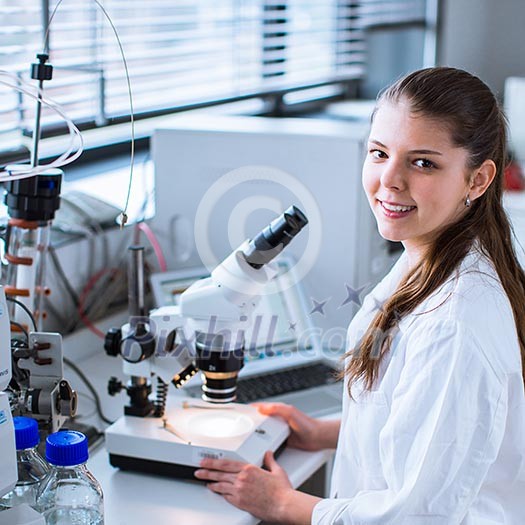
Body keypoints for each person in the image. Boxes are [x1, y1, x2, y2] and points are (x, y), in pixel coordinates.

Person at [194, 67, 525, 524]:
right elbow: (420, 427)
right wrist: (327, 432)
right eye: (379, 153)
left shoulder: (456, 321)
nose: (390, 180)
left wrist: (282, 504)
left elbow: (415, 516)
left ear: (477, 179)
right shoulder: (427, 257)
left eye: (422, 162)